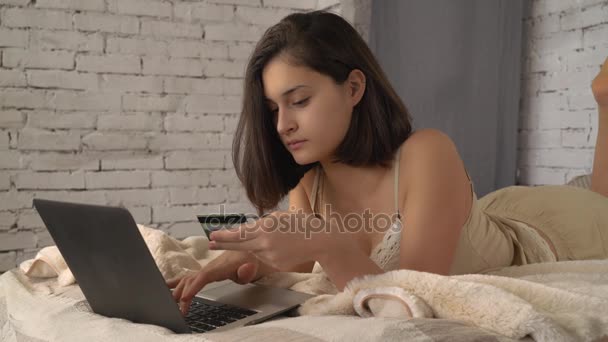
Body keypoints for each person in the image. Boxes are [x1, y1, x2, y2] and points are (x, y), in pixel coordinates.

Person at [168, 10, 608, 316]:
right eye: (272, 109)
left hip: (547, 232)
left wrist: (326, 243)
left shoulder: (426, 152)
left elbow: (412, 301)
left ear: (354, 87)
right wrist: (248, 262)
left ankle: (604, 100)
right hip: (487, 216)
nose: (283, 124)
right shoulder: (311, 182)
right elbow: (300, 263)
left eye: (299, 100)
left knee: (600, 199)